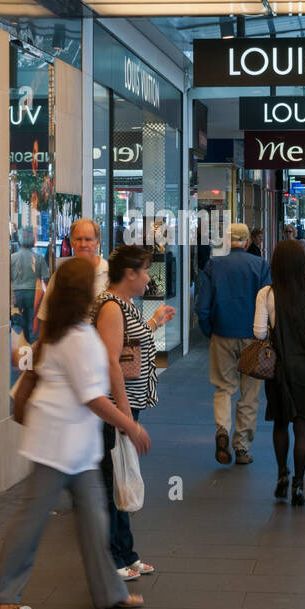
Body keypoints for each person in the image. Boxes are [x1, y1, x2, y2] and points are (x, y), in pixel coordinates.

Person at [0, 257, 148, 609]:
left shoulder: (65, 332)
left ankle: (109, 591)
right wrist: (130, 425)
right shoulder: (76, 338)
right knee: (35, 521)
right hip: (57, 446)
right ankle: (5, 592)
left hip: (73, 446)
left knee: (94, 521)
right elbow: (91, 397)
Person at [94, 245, 174, 580]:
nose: (148, 278)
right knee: (115, 480)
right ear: (129, 274)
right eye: (144, 271)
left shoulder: (125, 304)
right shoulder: (111, 306)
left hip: (128, 406)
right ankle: (113, 558)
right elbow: (111, 361)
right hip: (117, 408)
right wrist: (125, 417)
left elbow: (132, 343)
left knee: (122, 477)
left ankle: (126, 553)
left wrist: (154, 322)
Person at [255, 240, 305, 506]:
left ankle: (281, 474)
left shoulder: (266, 294)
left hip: (279, 367)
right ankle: (299, 484)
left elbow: (259, 333)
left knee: (280, 422)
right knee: (301, 426)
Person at [195, 222, 272, 465]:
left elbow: (202, 305)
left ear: (227, 242)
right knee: (249, 393)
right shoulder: (260, 265)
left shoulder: (213, 265)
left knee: (223, 388)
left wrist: (211, 331)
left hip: (222, 334)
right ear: (248, 242)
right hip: (253, 338)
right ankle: (241, 447)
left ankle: (222, 431)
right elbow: (268, 305)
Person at [37, 218, 109, 324]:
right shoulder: (60, 276)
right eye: (78, 239)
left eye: (88, 239)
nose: (83, 244)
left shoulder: (111, 274)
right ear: (71, 242)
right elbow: (46, 318)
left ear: (97, 243)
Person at [11, 228, 49, 341]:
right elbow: (46, 278)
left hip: (17, 293)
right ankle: (29, 341)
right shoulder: (38, 258)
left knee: (19, 317)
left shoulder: (12, 258)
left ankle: (20, 335)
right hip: (31, 293)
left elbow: (6, 278)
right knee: (30, 319)